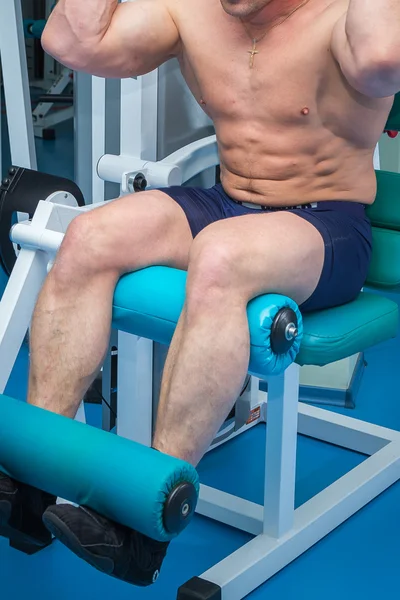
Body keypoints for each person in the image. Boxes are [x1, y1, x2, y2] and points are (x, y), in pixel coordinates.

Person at [0, 0, 398, 586]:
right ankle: (33, 489)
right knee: (88, 234)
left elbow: (382, 61)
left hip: (326, 223)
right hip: (225, 201)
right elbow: (69, 41)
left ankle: (144, 530)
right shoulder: (195, 10)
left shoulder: (341, 17)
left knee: (221, 254)